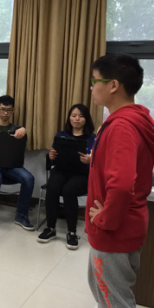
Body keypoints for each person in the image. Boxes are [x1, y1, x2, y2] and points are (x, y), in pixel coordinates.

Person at [86, 54, 154, 308]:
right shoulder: (129, 120)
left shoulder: (121, 126)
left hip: (114, 230)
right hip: (121, 225)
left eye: (95, 81)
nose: (92, 87)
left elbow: (120, 186)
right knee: (105, 297)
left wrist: (105, 218)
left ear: (113, 85)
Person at [37, 104, 96, 250]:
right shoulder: (61, 135)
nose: (77, 119)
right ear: (69, 118)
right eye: (74, 115)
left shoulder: (93, 139)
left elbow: (100, 163)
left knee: (69, 190)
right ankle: (50, 228)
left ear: (86, 119)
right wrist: (51, 157)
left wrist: (90, 160)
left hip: (82, 174)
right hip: (61, 171)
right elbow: (53, 159)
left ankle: (72, 232)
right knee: (52, 187)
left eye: (81, 116)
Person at [0, 95, 35, 231]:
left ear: (13, 110)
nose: (5, 113)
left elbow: (20, 147)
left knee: (28, 178)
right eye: (3, 109)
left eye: (9, 110)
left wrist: (24, 130)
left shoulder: (16, 129)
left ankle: (21, 216)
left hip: (11, 163)